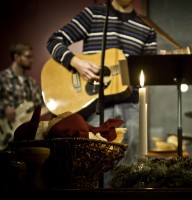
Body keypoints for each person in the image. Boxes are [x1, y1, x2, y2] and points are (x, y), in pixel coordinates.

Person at [46, 0, 157, 187]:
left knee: (127, 169)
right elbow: (54, 41)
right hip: (94, 104)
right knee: (92, 164)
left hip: (130, 104)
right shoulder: (94, 13)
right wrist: (76, 62)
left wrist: (138, 78)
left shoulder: (147, 26)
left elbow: (149, 70)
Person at [0, 42, 44, 151]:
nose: (31, 60)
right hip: (4, 130)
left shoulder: (31, 82)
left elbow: (39, 104)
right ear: (17, 57)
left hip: (23, 133)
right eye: (28, 56)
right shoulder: (3, 77)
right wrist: (4, 108)